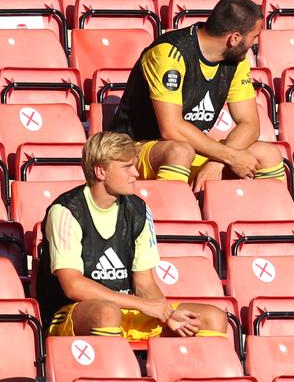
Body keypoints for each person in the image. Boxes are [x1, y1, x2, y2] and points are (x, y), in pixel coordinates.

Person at [36, 131, 228, 339]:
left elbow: (144, 283)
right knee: (107, 313)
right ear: (101, 171)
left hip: (128, 307)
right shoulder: (66, 211)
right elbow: (73, 286)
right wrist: (142, 305)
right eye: (127, 167)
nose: (136, 173)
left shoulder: (138, 210)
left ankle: (181, 371)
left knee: (213, 318)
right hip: (72, 311)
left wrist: (166, 313)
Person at [110, 0, 284, 192]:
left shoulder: (236, 61)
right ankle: (169, 219)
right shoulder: (169, 53)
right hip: (132, 148)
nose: (255, 44)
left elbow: (250, 124)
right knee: (179, 151)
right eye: (254, 37)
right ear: (234, 38)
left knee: (268, 153)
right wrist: (229, 156)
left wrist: (217, 162)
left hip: (193, 148)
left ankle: (271, 219)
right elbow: (171, 129)